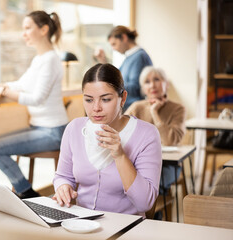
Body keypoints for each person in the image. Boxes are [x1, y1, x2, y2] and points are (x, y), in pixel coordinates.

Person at [52, 63, 162, 217]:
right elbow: (63, 176)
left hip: (126, 228)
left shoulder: (147, 134)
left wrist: (120, 155)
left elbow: (145, 203)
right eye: (89, 100)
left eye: (105, 99)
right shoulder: (74, 128)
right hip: (81, 225)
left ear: (122, 97)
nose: (96, 108)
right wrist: (63, 186)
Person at [0, 11, 69, 199]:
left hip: (53, 131)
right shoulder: (39, 59)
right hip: (39, 127)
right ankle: (26, 191)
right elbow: (22, 84)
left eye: (27, 28)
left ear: (44, 29)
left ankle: (26, 193)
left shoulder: (51, 60)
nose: (23, 33)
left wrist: (4, 92)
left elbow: (37, 98)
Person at [125, 66, 186, 194]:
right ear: (143, 88)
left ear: (166, 84)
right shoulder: (136, 107)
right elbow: (122, 133)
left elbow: (169, 141)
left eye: (157, 79)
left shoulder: (177, 109)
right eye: (147, 82)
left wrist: (154, 112)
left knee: (152, 183)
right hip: (139, 163)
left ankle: (154, 214)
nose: (152, 85)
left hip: (168, 165)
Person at [94, 26, 152, 110]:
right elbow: (115, 76)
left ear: (124, 38)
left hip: (133, 109)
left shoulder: (139, 57)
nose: (113, 49)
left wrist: (110, 84)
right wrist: (103, 61)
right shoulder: (129, 58)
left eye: (114, 44)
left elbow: (135, 88)